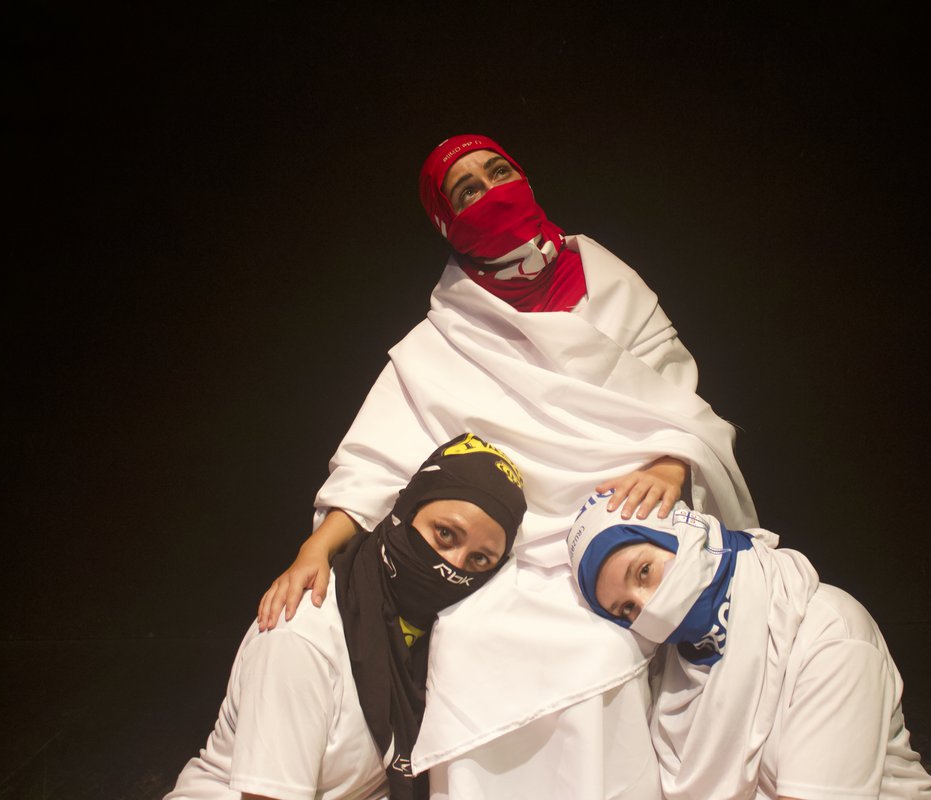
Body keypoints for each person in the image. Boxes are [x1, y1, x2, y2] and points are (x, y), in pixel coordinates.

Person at [256, 134, 759, 798]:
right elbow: (376, 458)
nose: (492, 191)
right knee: (468, 643)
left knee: (602, 648)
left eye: (500, 172)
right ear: (447, 224)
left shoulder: (615, 288)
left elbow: (681, 406)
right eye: (468, 190)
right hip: (504, 553)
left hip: (617, 529)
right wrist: (315, 549)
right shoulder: (444, 339)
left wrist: (671, 467)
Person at [165, 433, 527, 800]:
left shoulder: (437, 643)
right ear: (407, 511)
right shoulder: (304, 637)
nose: (452, 566)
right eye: (445, 534)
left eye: (480, 559)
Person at [567, 491, 931, 800]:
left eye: (645, 571)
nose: (647, 607)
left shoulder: (830, 632)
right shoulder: (673, 670)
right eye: (627, 609)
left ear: (682, 532)